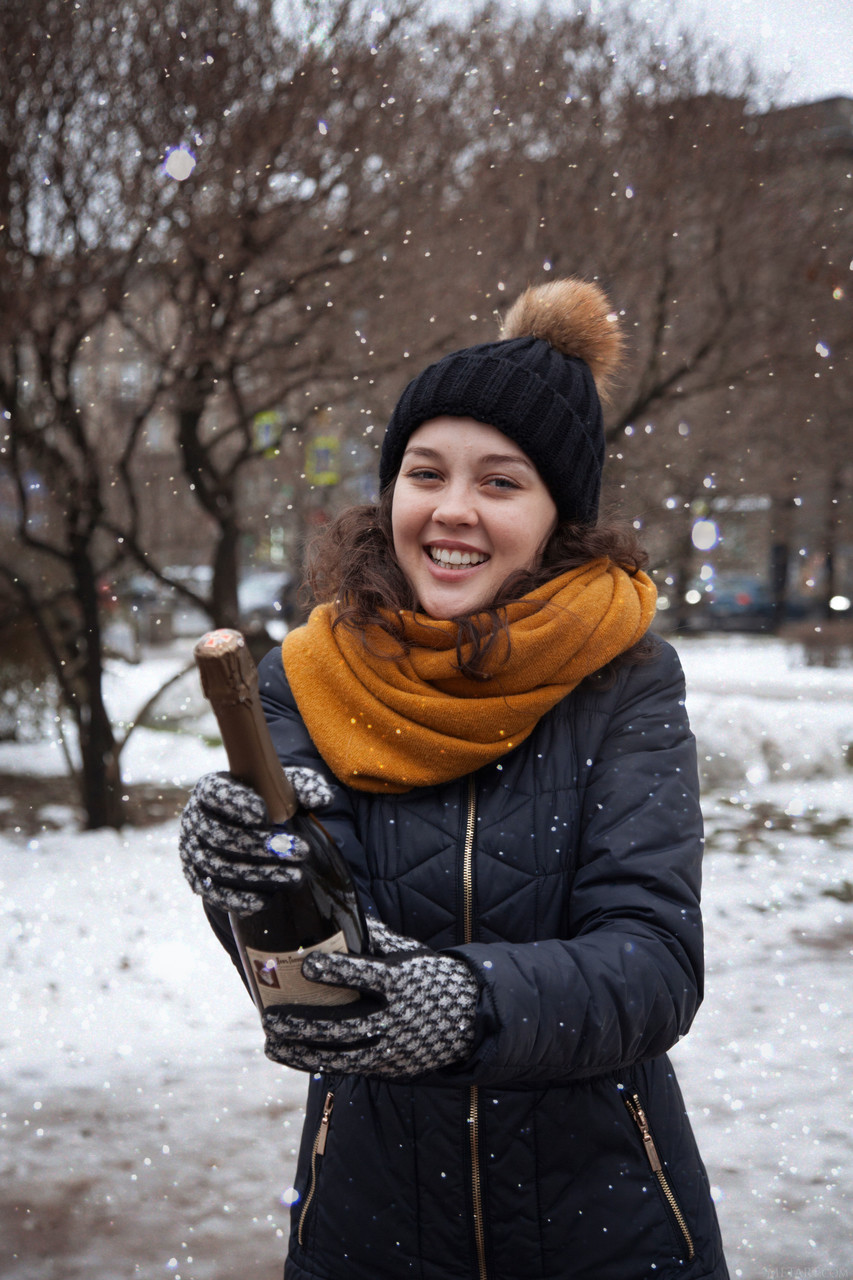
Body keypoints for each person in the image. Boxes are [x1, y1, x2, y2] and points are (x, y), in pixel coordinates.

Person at [179, 277, 729, 1280]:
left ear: (559, 513)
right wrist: (248, 876)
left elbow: (653, 963)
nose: (452, 510)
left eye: (501, 481)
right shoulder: (305, 676)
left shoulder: (626, 678)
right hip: (370, 1228)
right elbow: (312, 980)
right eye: (424, 471)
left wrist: (466, 1000)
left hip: (606, 1230)